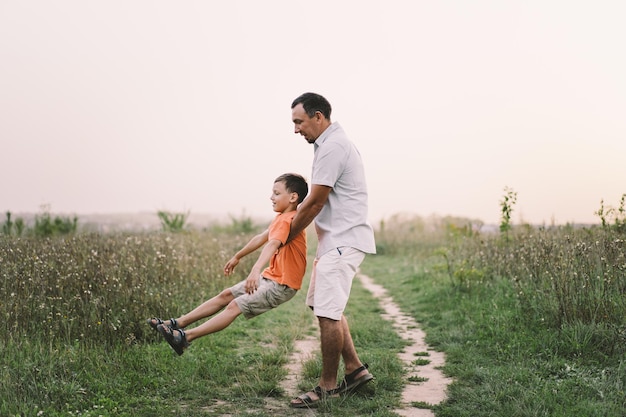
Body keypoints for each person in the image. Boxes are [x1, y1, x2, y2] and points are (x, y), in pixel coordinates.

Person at [146, 173, 308, 356]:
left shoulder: (288, 219)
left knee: (234, 305)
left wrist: (255, 270)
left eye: (276, 193)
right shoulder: (281, 218)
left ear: (293, 197)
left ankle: (184, 337)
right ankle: (178, 323)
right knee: (226, 295)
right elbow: (261, 238)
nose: (271, 197)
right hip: (271, 277)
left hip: (282, 285)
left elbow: (272, 244)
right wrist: (237, 256)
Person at [287, 92, 376, 408]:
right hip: (335, 242)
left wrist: (286, 236)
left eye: (299, 121)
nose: (296, 129)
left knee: (327, 311)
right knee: (323, 307)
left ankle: (327, 387)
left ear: (318, 117)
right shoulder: (329, 144)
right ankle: (354, 370)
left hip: (343, 241)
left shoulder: (333, 146)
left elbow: (315, 201)